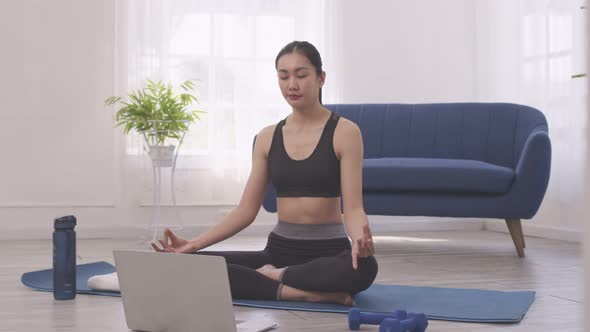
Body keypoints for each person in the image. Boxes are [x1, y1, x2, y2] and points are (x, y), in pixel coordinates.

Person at [151, 41, 378, 305]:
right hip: (278, 251)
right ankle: (295, 290)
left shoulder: (346, 132)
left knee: (365, 267)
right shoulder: (267, 137)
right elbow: (245, 211)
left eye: (301, 75)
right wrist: (193, 246)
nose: (292, 84)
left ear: (321, 78)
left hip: (329, 253)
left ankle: (273, 277)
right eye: (283, 76)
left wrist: (359, 238)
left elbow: (352, 208)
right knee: (186, 265)